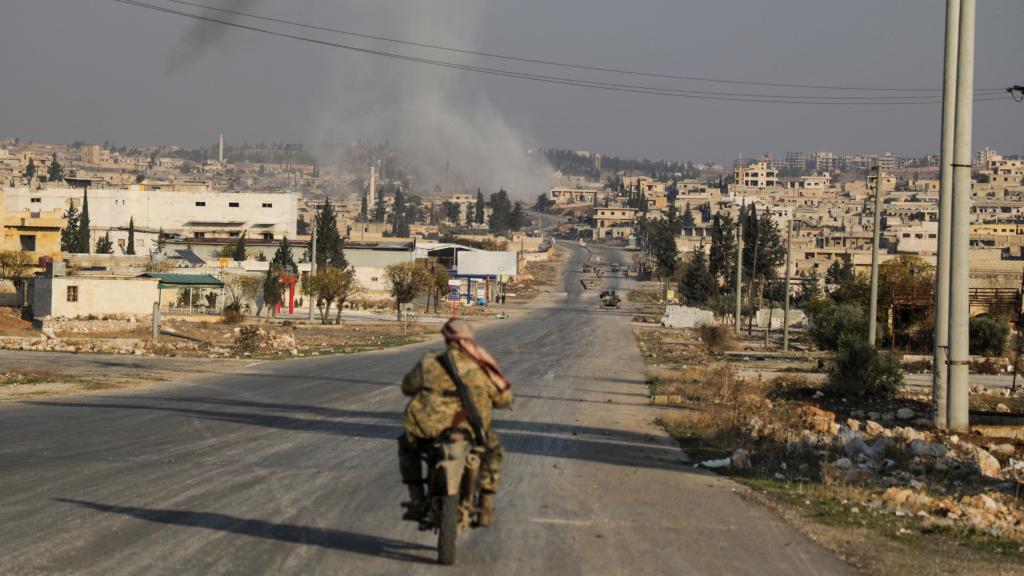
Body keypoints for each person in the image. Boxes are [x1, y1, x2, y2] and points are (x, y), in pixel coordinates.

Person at [398, 319, 513, 527]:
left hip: (428, 429)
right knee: (492, 450)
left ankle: (416, 498)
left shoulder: (430, 362)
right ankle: (486, 506)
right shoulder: (482, 366)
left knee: (407, 445)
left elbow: (408, 387)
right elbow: (503, 399)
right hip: (470, 429)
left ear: (446, 338)